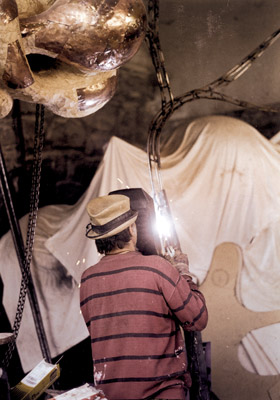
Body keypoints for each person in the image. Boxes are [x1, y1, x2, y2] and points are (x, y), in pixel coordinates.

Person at [80, 194, 208, 400]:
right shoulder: (158, 268)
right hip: (162, 393)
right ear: (132, 229)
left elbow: (106, 331)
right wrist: (183, 273)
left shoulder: (87, 280)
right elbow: (198, 319)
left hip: (112, 395)